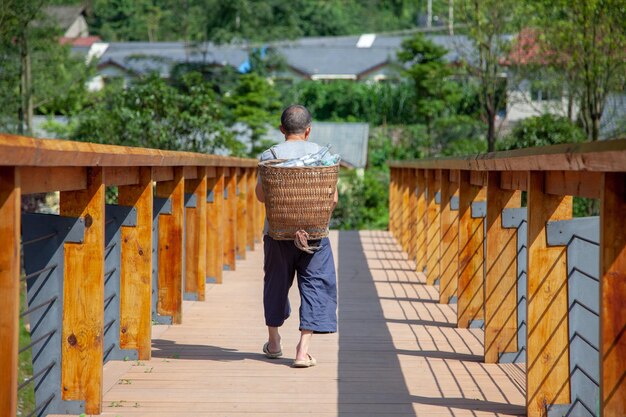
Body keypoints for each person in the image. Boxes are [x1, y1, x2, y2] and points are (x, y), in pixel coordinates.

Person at [255, 104, 338, 368]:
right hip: (314, 233)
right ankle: (302, 351)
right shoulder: (323, 156)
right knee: (316, 284)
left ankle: (274, 341)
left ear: (282, 130)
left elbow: (260, 196)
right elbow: (333, 199)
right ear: (308, 130)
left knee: (276, 284)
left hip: (277, 232)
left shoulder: (269, 155)